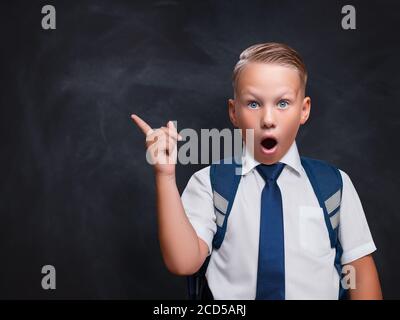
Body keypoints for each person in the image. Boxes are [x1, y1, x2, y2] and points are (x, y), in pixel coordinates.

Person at [131, 42, 382, 299]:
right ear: (234, 112)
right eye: (253, 104)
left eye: (283, 103)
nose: (268, 119)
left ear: (304, 110)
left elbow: (360, 272)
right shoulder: (210, 183)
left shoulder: (334, 185)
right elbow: (183, 262)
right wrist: (165, 176)